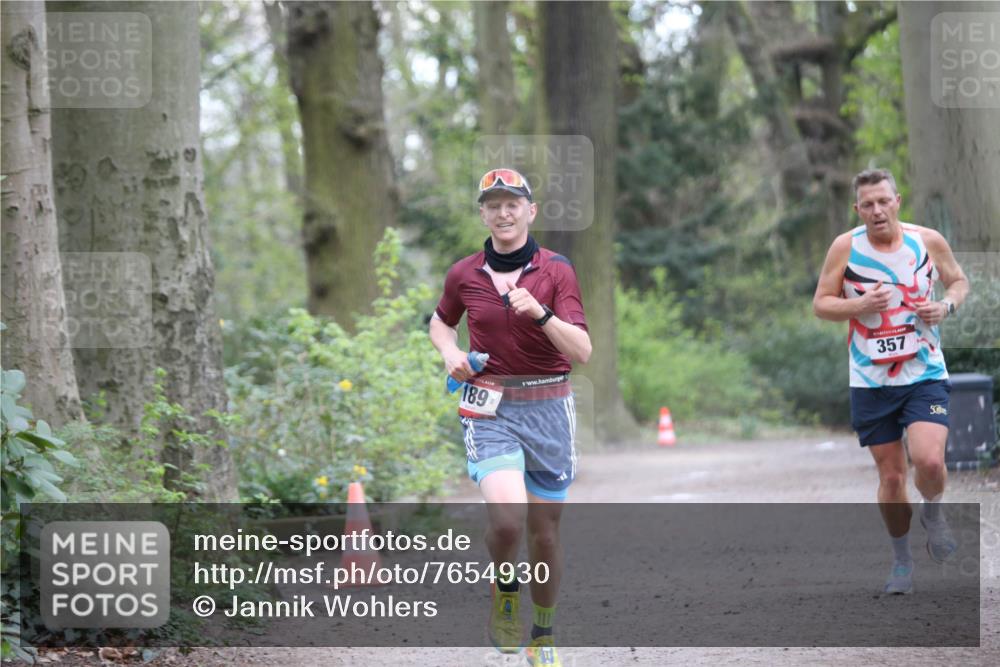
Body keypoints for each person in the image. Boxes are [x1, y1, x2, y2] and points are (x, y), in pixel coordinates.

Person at [429, 168, 591, 666]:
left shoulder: (556, 270)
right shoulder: (465, 273)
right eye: (493, 204)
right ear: (482, 213)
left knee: (544, 532)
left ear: (530, 211)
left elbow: (583, 351)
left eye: (512, 203)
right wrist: (449, 352)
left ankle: (542, 636)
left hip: (549, 406)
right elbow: (440, 321)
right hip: (490, 406)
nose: (503, 212)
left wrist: (541, 314)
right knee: (506, 520)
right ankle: (505, 589)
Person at [813, 168, 970, 595]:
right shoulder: (845, 247)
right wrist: (860, 303)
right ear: (857, 208)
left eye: (884, 201)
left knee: (931, 462)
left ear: (897, 200)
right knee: (893, 478)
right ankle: (902, 562)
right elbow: (821, 304)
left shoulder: (927, 241)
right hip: (870, 379)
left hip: (924, 373)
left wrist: (946, 307)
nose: (877, 210)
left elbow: (958, 281)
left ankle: (933, 514)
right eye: (868, 204)